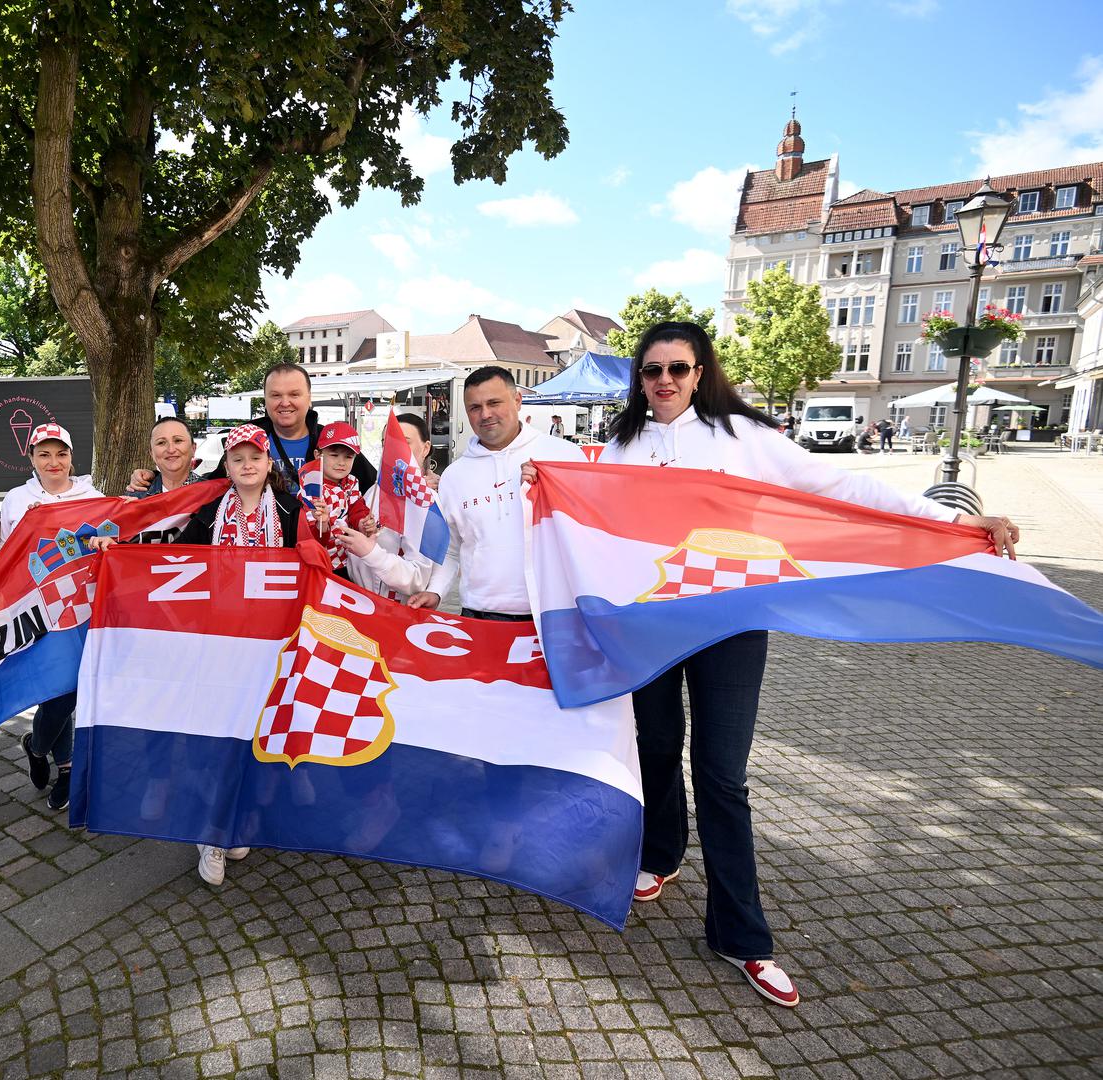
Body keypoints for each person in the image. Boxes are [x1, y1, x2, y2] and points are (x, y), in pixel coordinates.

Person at [586, 321, 1019, 1008]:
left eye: (677, 368)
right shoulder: (618, 448)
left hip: (731, 621)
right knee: (656, 745)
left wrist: (954, 524)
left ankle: (741, 936)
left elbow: (840, 484)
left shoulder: (743, 438)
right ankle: (659, 855)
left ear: (700, 373)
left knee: (722, 776)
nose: (662, 380)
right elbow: (581, 520)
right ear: (636, 380)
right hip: (651, 622)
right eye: (650, 370)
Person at [173, 424, 304, 885]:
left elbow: (315, 562)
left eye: (255, 457)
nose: (247, 465)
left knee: (252, 732)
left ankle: (237, 818)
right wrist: (120, 551)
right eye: (238, 458)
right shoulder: (211, 512)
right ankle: (210, 832)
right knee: (216, 731)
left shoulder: (290, 510)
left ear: (269, 463)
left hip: (269, 642)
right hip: (217, 640)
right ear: (226, 466)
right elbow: (174, 560)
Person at [408, 366, 584, 620]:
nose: (485, 414)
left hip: (555, 612)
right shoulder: (455, 476)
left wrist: (553, 492)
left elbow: (591, 531)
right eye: (475, 407)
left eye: (494, 403)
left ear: (517, 400)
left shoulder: (564, 456)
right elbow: (451, 548)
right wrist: (435, 591)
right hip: (480, 614)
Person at [3, 423, 102, 812]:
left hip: (83, 607)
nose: (54, 461)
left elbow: (111, 539)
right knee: (55, 690)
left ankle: (35, 744)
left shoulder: (92, 496)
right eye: (44, 454)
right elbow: (9, 557)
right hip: (39, 609)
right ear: (31, 458)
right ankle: (66, 768)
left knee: (70, 691)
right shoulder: (16, 499)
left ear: (71, 457)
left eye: (61, 453)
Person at [129, 363, 375, 496]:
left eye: (294, 394)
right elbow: (211, 485)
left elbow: (375, 489)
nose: (285, 402)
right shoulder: (245, 439)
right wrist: (156, 476)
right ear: (265, 400)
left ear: (309, 397)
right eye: (276, 395)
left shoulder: (332, 442)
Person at [336, 412, 438, 602]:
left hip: (394, 613)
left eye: (404, 442)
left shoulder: (424, 500)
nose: (392, 449)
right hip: (358, 605)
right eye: (387, 443)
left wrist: (370, 552)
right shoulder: (371, 491)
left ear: (425, 448)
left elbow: (417, 578)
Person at [305, 422, 372, 575]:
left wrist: (364, 523)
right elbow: (310, 534)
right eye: (334, 455)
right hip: (320, 564)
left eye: (348, 457)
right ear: (317, 455)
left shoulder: (352, 481)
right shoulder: (311, 486)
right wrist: (322, 524)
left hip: (350, 561)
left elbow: (358, 508)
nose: (341, 463)